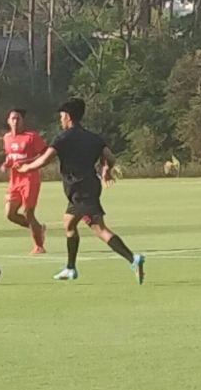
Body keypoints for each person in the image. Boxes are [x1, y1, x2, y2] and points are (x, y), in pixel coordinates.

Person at [19, 98, 145, 283]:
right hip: (85, 188)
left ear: (68, 117)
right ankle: (70, 268)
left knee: (99, 229)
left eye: (61, 116)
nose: (60, 120)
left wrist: (26, 168)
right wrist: (106, 170)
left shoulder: (62, 138)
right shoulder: (93, 138)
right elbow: (110, 157)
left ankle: (132, 258)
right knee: (69, 224)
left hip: (81, 190)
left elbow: (45, 160)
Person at [2, 108, 47, 254]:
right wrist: (5, 164)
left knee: (28, 213)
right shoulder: (6, 138)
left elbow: (45, 154)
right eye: (13, 118)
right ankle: (38, 229)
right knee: (10, 214)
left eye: (18, 118)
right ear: (8, 121)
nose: (15, 121)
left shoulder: (31, 136)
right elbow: (10, 156)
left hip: (30, 179)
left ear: (22, 121)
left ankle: (39, 246)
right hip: (14, 181)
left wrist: (27, 162)